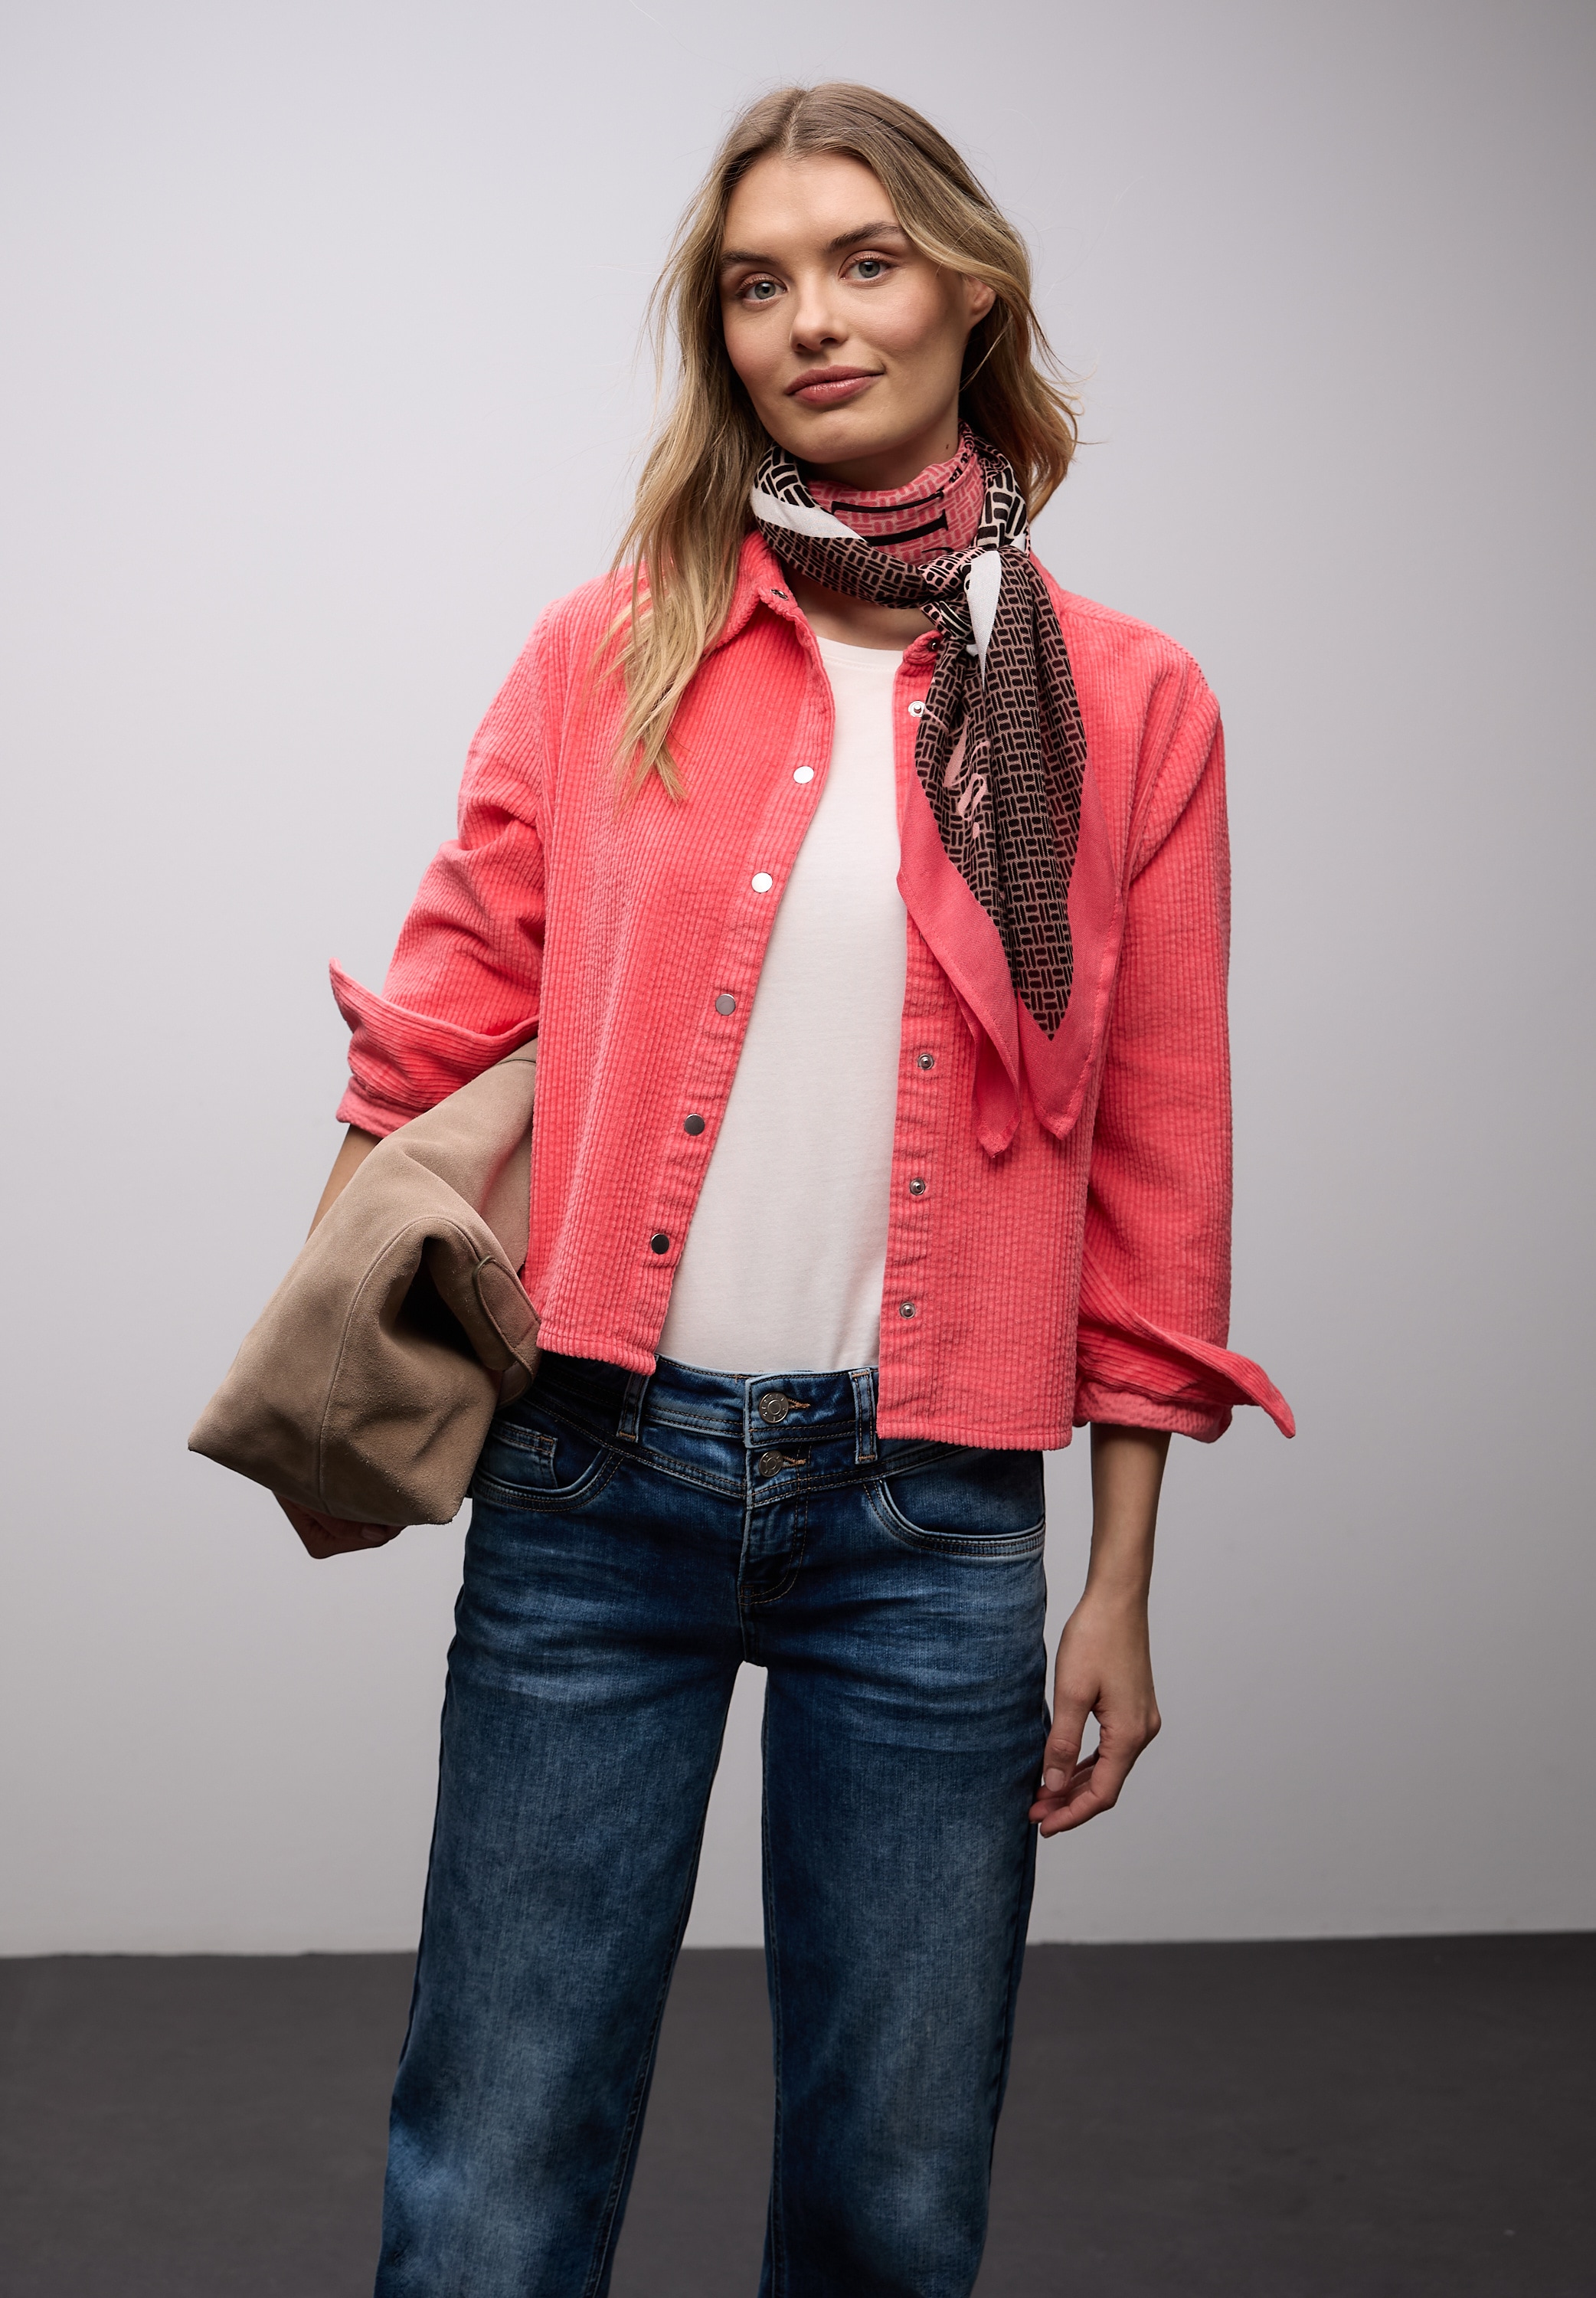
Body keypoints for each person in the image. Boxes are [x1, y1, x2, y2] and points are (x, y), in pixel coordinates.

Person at [277, 82, 1292, 2298]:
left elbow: (1156, 1165)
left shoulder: (1134, 708)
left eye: (862, 262)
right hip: (592, 1473)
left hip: (930, 1522)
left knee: (891, 2196)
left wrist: (1118, 1583)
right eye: (757, 284)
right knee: (495, 2163)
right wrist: (337, 1360)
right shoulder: (609, 649)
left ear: (969, 293)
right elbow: (440, 1019)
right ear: (720, 336)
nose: (810, 319)